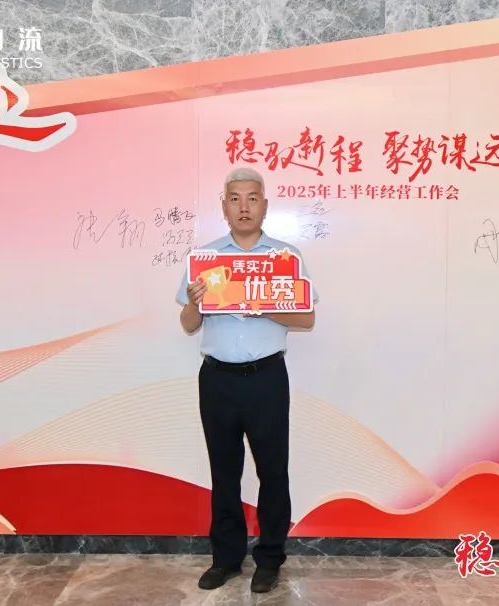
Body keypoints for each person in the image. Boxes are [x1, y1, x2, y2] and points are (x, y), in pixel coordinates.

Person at [176, 167, 317, 593]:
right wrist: (196, 304)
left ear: (264, 205)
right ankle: (226, 559)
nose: (244, 207)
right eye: (235, 198)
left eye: (252, 198)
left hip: (266, 379)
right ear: (224, 207)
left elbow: (307, 318)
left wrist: (261, 304)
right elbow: (187, 323)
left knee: (273, 471)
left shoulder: (285, 258)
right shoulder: (205, 260)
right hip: (217, 379)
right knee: (224, 472)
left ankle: (270, 558)